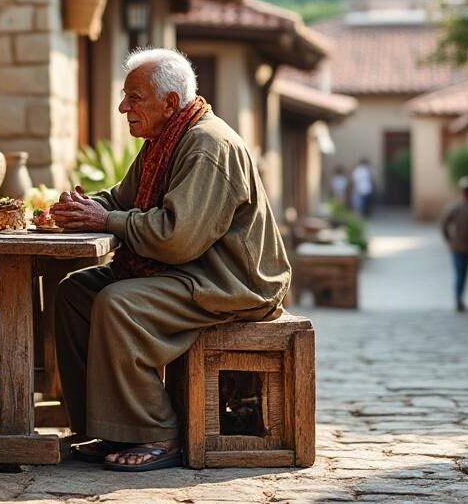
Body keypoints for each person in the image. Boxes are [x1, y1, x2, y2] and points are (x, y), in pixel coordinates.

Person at [49, 48, 291, 473]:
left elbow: (179, 239)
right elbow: (122, 200)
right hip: (190, 270)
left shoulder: (207, 146)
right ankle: (109, 426)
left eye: (134, 98)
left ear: (170, 103)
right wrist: (82, 208)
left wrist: (107, 220)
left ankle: (158, 432)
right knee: (76, 291)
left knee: (120, 303)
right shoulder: (166, 139)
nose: (124, 107)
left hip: (233, 281)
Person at [440, 176, 468, 313]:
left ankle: (459, 299)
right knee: (461, 274)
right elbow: (444, 226)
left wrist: (449, 240)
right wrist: (449, 240)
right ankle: (459, 300)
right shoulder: (459, 208)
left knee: (462, 275)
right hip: (461, 247)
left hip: (463, 247)